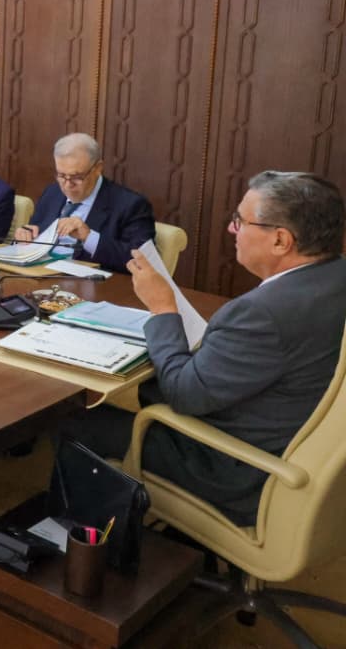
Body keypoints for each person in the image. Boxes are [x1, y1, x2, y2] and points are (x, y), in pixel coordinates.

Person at [60, 171, 346, 525]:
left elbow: (183, 395)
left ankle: (77, 546)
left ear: (280, 240)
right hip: (301, 450)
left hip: (240, 470)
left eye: (240, 221)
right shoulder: (335, 277)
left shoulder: (261, 314)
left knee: (78, 422)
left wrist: (163, 308)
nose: (231, 229)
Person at [15, 133, 156, 273]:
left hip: (90, 281)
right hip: (39, 274)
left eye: (77, 177)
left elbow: (141, 262)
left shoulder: (131, 205)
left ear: (98, 168)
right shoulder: (52, 193)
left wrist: (89, 237)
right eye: (61, 175)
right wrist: (25, 236)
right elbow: (35, 232)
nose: (67, 185)